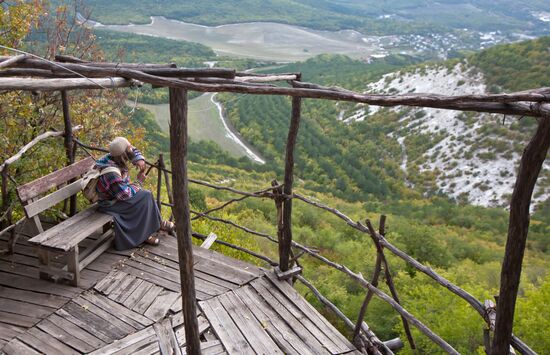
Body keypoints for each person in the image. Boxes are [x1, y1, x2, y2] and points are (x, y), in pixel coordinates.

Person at [94, 137, 174, 250]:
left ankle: (156, 223)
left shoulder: (114, 156)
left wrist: (139, 158)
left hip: (115, 196)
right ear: (124, 155)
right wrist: (139, 182)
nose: (131, 149)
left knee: (145, 195)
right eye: (129, 150)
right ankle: (145, 235)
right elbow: (124, 195)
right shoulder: (111, 173)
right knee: (144, 197)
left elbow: (132, 149)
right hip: (109, 204)